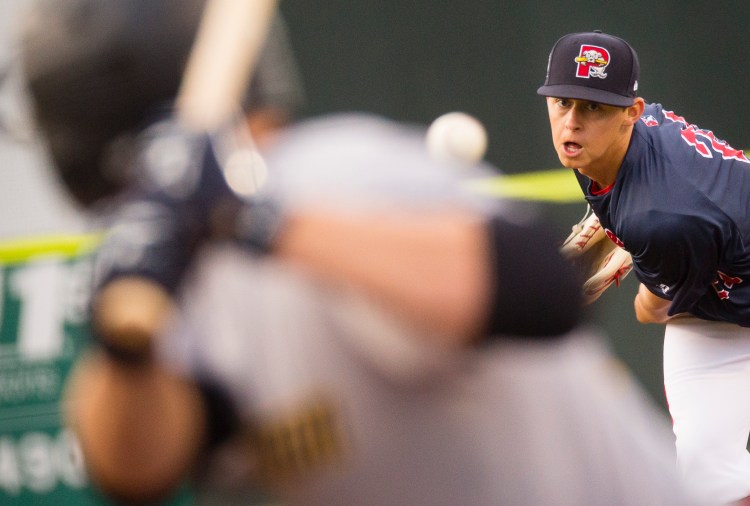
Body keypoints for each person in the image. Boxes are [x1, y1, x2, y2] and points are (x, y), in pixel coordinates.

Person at [19, 3, 696, 503]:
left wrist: (246, 218)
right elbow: (138, 470)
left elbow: (535, 288)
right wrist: (124, 343)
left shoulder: (327, 175)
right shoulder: (165, 263)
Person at [538, 30, 750, 505]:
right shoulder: (596, 146)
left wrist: (638, 246)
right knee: (707, 476)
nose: (572, 122)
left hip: (715, 279)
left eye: (593, 106)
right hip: (721, 301)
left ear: (631, 113)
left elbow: (652, 310)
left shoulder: (660, 218)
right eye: (562, 102)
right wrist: (629, 234)